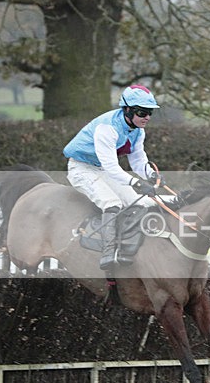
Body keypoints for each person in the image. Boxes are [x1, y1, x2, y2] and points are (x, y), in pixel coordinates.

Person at [63, 84, 164, 270]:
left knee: (138, 203)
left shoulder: (138, 130)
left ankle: (125, 248)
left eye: (150, 112)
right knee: (112, 204)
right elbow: (111, 166)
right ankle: (108, 252)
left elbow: (138, 159)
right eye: (142, 112)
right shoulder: (107, 128)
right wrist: (136, 182)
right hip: (81, 169)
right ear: (127, 110)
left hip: (101, 169)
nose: (147, 117)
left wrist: (150, 174)